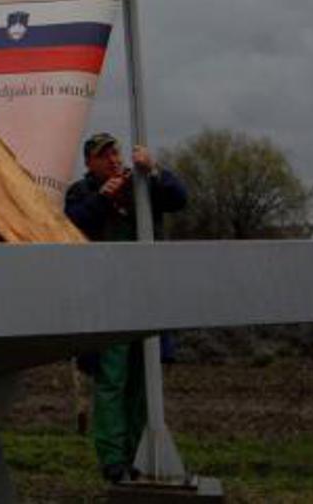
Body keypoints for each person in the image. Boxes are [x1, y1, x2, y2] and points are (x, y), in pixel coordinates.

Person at [63, 132, 188, 485]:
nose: (113, 160)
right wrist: (102, 200)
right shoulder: (82, 193)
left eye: (115, 153)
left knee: (142, 380)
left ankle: (137, 454)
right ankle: (113, 459)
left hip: (146, 296)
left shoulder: (143, 185)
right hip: (106, 300)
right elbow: (71, 223)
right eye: (103, 155)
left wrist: (155, 170)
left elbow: (179, 198)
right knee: (111, 380)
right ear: (90, 163)